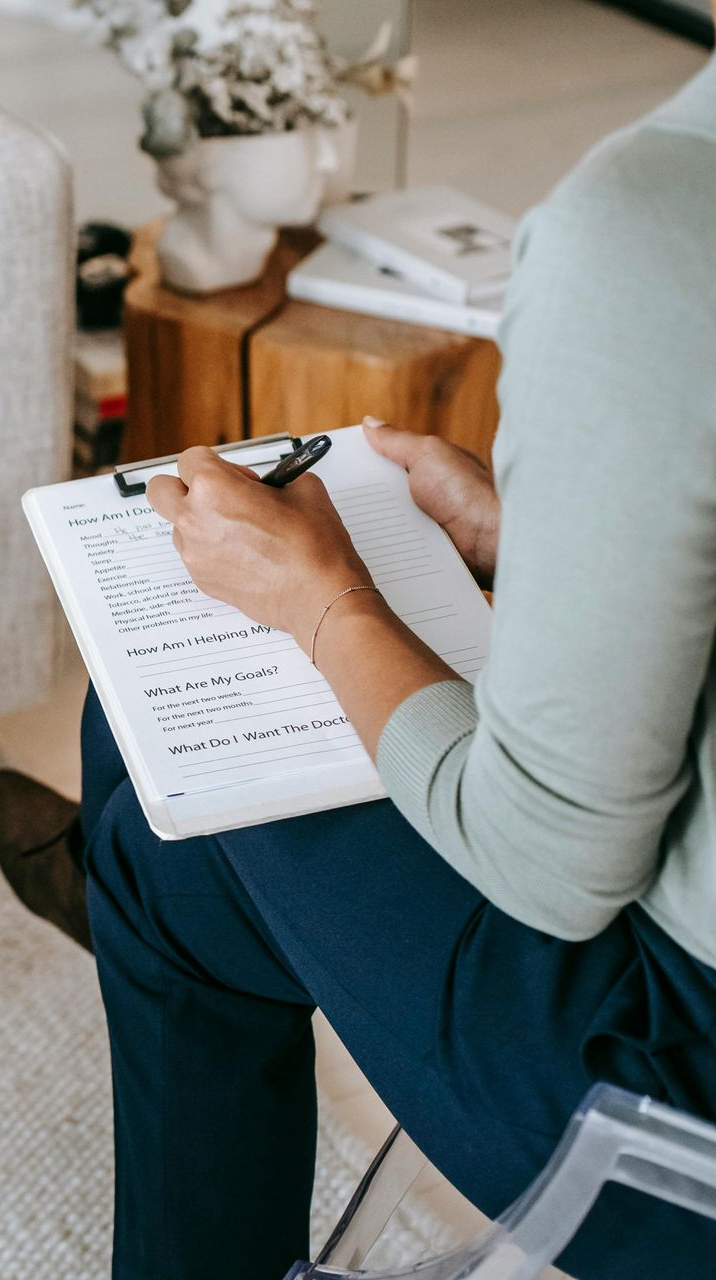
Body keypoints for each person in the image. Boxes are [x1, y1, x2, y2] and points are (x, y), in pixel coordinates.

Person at [3, 40, 716, 1280]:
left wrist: (316, 593)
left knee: (165, 837)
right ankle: (151, 903)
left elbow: (548, 861)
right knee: (165, 810)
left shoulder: (652, 223)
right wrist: (549, 537)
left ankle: (139, 901)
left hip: (668, 1094)